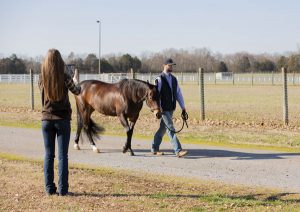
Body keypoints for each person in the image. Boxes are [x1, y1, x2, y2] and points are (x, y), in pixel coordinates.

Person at [39, 49, 81, 196]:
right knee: (63, 156)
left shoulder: (41, 77)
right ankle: (63, 190)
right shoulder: (65, 76)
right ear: (60, 61)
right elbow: (77, 91)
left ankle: (49, 189)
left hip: (46, 120)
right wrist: (75, 79)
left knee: (48, 155)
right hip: (62, 120)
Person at [151, 58, 188, 158]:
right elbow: (156, 95)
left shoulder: (174, 79)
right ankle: (178, 150)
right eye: (169, 65)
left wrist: (183, 107)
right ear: (164, 65)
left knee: (163, 129)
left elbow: (178, 93)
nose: (171, 67)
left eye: (172, 65)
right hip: (163, 109)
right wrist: (158, 108)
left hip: (171, 107)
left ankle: (154, 148)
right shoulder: (159, 79)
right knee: (170, 128)